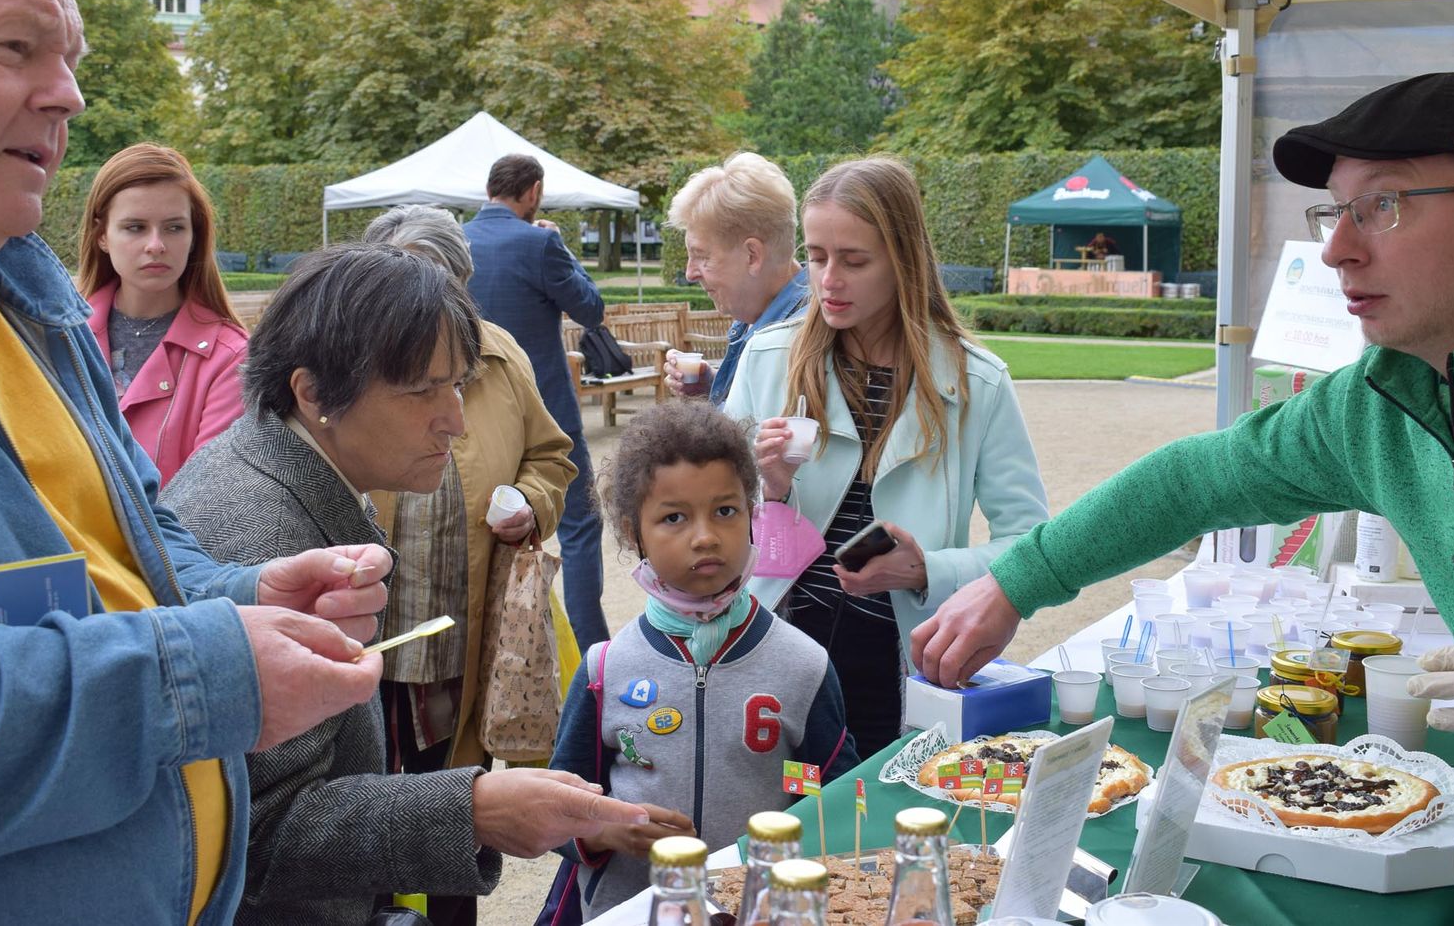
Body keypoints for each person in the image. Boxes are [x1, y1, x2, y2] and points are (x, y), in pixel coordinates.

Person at [910, 72, 1454, 872]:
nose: (1338, 249)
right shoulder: (1380, 401)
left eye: (1384, 205)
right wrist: (1014, 582)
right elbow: (1196, 479)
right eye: (1334, 212)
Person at [0, 0, 391, 923]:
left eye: (73, 60)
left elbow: (130, 553)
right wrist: (196, 672)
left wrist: (245, 597)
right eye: (17, 47)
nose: (69, 95)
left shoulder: (24, 296)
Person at [164, 244, 648, 925]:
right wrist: (474, 810)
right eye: (423, 390)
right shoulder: (263, 534)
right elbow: (260, 833)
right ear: (313, 392)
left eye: (458, 385)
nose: (454, 416)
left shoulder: (291, 470)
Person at [725, 156, 1051, 755]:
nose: (828, 280)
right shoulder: (768, 359)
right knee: (776, 832)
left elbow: (1032, 546)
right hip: (773, 664)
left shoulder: (977, 381)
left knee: (870, 839)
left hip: (903, 670)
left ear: (904, 262)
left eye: (853, 260)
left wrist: (928, 569)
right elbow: (709, 523)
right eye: (817, 256)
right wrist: (767, 489)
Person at [549, 400, 856, 918]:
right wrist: (601, 828)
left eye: (726, 511)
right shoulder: (605, 670)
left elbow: (834, 798)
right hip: (631, 911)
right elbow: (557, 808)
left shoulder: (804, 666)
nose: (706, 536)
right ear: (632, 532)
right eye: (673, 517)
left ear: (753, 515)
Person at [362, 206, 576, 782]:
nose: (423, 306)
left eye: (441, 285)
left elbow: (550, 455)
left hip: (466, 628)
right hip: (369, 632)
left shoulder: (500, 356)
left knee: (453, 792)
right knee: (363, 793)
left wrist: (531, 503)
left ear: (463, 286)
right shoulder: (349, 364)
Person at [465, 154, 611, 649]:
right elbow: (591, 310)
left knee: (487, 523)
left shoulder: (453, 241)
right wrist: (564, 249)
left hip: (470, 415)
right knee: (580, 523)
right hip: (545, 407)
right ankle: (592, 647)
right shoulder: (541, 242)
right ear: (532, 192)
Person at [77, 142, 248, 485]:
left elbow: (206, 496)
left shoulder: (231, 357)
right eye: (135, 227)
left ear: (194, 236)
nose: (156, 245)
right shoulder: (58, 336)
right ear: (101, 236)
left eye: (173, 227)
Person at [659, 152, 808, 405]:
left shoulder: (798, 343)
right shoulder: (758, 317)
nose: (690, 273)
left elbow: (752, 441)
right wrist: (715, 388)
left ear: (752, 255)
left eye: (701, 256)